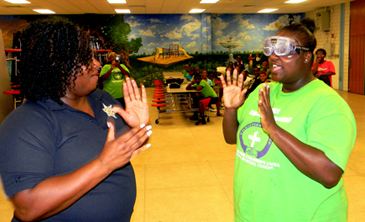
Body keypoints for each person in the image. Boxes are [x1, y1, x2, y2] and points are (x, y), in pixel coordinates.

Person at [0, 20, 152, 222]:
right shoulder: (25, 123)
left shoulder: (102, 99)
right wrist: (103, 164)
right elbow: (27, 208)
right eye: (85, 59)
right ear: (57, 67)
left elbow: (124, 149)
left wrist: (138, 128)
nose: (97, 64)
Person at [221, 18, 356, 222]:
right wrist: (230, 110)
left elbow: (329, 174)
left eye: (285, 50)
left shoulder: (327, 104)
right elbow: (232, 138)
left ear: (306, 57)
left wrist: (273, 129)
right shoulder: (263, 90)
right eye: (271, 50)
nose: (274, 57)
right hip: (253, 211)